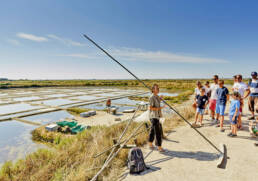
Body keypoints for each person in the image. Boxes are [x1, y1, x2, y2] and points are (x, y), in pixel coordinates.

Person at [148, 84, 166, 152]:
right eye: (156, 88)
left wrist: (160, 99)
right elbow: (151, 107)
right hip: (153, 116)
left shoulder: (156, 96)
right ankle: (159, 147)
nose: (158, 89)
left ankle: (150, 144)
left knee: (152, 130)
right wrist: (160, 108)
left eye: (158, 88)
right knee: (158, 132)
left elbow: (157, 102)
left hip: (157, 116)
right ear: (152, 90)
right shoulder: (151, 97)